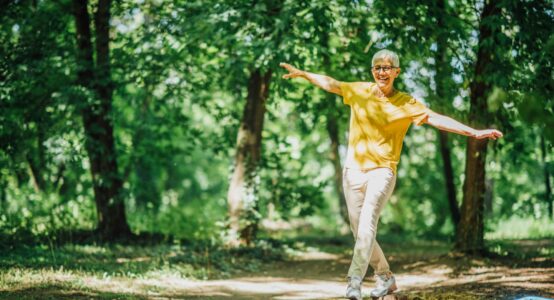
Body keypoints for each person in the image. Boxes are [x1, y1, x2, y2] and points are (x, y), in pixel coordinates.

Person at [279, 49, 503, 300]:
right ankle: (385, 277)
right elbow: (331, 83)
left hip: (382, 171)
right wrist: (303, 74)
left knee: (367, 224)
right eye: (377, 67)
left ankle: (354, 282)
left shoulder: (406, 103)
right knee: (359, 231)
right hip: (352, 171)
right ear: (372, 70)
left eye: (387, 68)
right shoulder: (359, 91)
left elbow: (436, 118)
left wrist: (474, 132)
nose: (381, 72)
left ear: (397, 71)